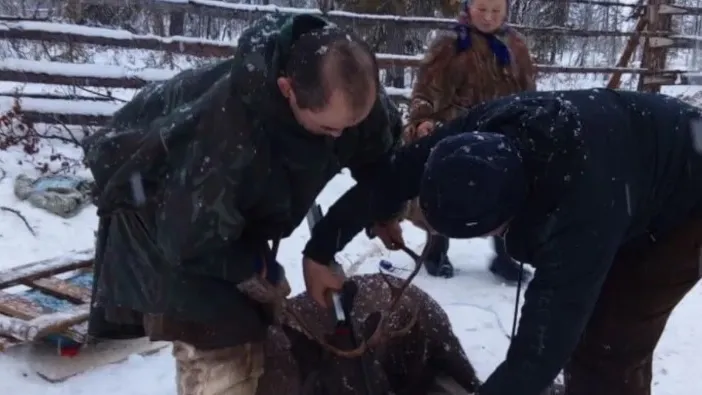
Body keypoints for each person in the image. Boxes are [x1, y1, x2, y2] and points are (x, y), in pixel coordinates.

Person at [81, 13, 404, 395]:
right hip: (161, 209)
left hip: (222, 210)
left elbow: (379, 155)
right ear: (287, 90)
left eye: (352, 124)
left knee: (257, 332)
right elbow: (188, 238)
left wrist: (384, 211)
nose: (342, 137)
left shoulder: (350, 89)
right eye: (330, 129)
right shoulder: (228, 136)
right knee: (224, 345)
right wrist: (258, 268)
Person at [315, 88, 702, 395]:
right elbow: (396, 174)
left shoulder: (577, 216)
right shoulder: (480, 135)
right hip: (634, 162)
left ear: (502, 221)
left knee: (607, 345)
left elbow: (539, 351)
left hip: (688, 204)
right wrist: (320, 249)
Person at [403, 0, 535, 280]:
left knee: (506, 191)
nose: (488, 18)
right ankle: (436, 250)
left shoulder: (516, 46)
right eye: (482, 10)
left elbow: (529, 90)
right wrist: (422, 120)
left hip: (502, 132)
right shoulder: (450, 44)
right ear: (468, 6)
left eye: (496, 11)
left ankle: (505, 255)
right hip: (455, 131)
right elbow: (425, 90)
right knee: (445, 190)